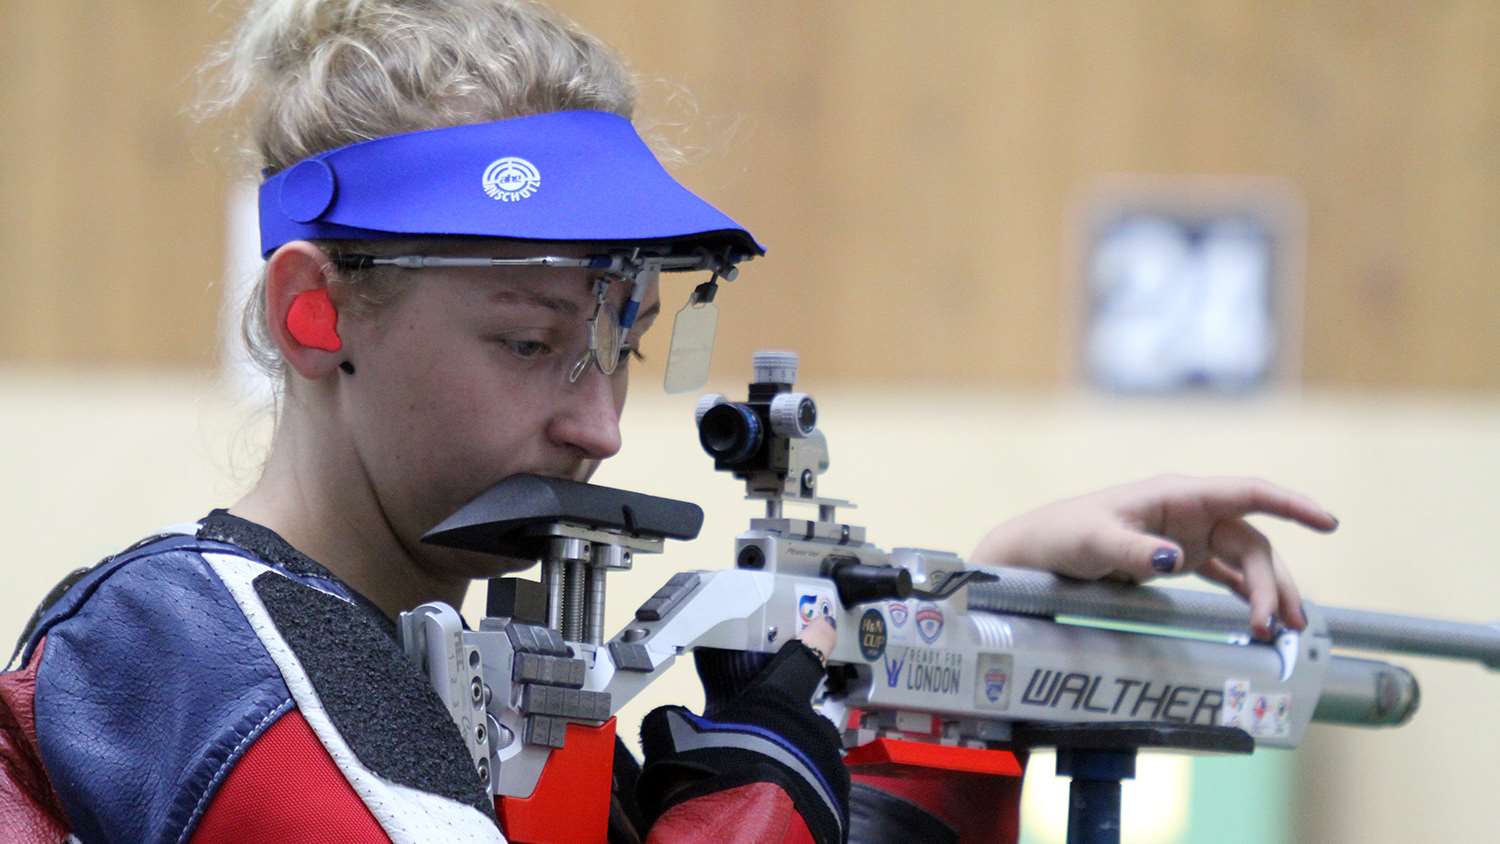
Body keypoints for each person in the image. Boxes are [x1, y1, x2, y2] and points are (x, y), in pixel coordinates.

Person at [0, 1, 1337, 842]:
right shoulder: (181, 646)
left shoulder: (449, 692)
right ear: (315, 315)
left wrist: (968, 628)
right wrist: (760, 777)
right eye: (529, 343)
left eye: (619, 350)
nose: (598, 427)